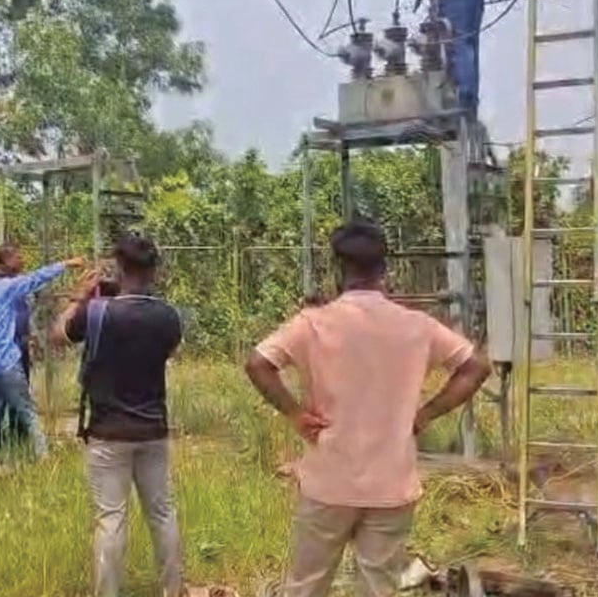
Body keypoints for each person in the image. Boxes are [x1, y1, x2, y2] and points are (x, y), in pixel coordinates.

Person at [245, 220, 490, 597]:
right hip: (391, 483)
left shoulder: (313, 323)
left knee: (306, 586)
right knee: (379, 587)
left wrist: (295, 414)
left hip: (329, 479)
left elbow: (258, 363)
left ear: (338, 269)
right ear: (384, 269)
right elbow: (475, 367)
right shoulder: (417, 326)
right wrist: (426, 413)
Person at [49, 234, 185, 597]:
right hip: (153, 428)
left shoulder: (97, 312)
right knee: (162, 512)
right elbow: (165, 351)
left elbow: (57, 336)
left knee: (111, 518)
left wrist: (80, 298)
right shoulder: (168, 316)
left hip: (108, 431)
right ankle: (173, 589)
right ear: (154, 270)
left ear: (119, 267)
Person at [0, 252, 85, 479]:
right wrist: (67, 264)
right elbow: (37, 277)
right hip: (10, 364)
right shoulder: (4, 288)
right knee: (28, 414)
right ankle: (44, 460)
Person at [0, 244, 34, 454]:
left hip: (20, 346)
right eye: (18, 255)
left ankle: (20, 439)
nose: (22, 259)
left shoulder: (19, 285)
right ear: (5, 261)